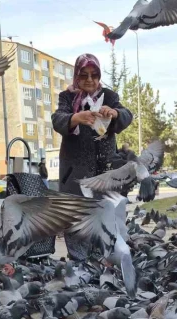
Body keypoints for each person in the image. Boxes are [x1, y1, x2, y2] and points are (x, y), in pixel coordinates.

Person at [52, 53, 132, 261]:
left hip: (103, 168)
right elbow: (58, 119)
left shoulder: (109, 95)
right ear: (77, 76)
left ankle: (102, 260)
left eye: (94, 75)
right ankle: (78, 262)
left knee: (104, 214)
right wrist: (76, 118)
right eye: (84, 75)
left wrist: (114, 113)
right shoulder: (67, 97)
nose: (89, 79)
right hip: (74, 170)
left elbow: (126, 115)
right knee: (76, 215)